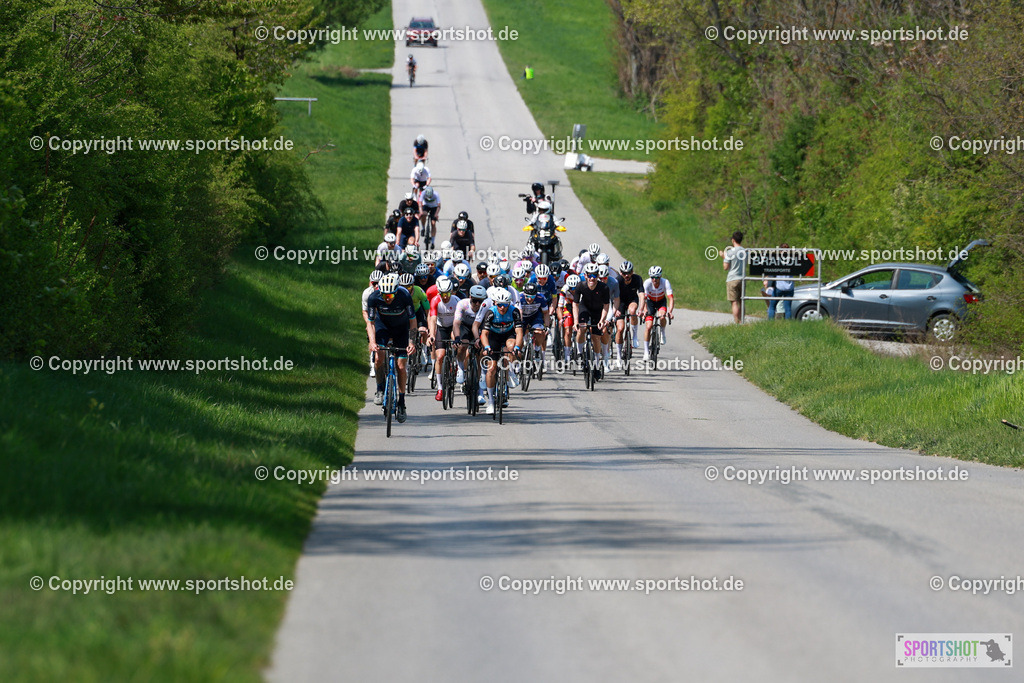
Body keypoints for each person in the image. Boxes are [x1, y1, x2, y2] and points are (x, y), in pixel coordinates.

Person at [366, 273, 417, 422]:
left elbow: (413, 321)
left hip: (401, 329)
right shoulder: (374, 298)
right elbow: (370, 322)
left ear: (396, 292)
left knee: (401, 366)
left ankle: (401, 402)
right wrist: (372, 342)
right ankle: (380, 389)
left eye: (391, 296)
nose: (387, 299)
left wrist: (411, 342)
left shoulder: (404, 295)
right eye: (385, 296)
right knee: (378, 357)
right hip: (383, 327)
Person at [477, 289, 524, 415]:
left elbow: (519, 332)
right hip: (493, 337)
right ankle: (491, 402)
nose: (502, 308)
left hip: (508, 335)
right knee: (491, 369)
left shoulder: (514, 311)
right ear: (495, 303)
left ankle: (510, 371)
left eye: (505, 305)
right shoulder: (490, 313)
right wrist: (486, 347)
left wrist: (517, 347)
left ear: (509, 303)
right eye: (499, 305)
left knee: (511, 347)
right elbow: (484, 334)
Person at [573, 263, 610, 380]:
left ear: (598, 276)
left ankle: (597, 365)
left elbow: (606, 306)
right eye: (589, 275)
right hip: (585, 309)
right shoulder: (580, 286)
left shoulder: (604, 288)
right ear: (585, 275)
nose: (592, 278)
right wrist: (575, 321)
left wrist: (602, 320)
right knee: (582, 328)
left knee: (595, 337)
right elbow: (575, 304)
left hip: (598, 311)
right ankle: (579, 354)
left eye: (594, 275)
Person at [427, 276, 460, 401]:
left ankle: (456, 362)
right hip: (441, 327)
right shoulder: (435, 300)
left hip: (453, 326)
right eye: (442, 294)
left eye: (447, 294)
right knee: (440, 356)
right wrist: (431, 335)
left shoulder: (456, 301)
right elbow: (433, 319)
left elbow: (458, 321)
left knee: (456, 341)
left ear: (451, 292)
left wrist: (457, 337)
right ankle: (440, 388)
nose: (445, 297)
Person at [642, 265, 674, 360]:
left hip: (661, 302)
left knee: (662, 317)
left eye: (656, 277)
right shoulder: (647, 283)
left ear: (660, 277)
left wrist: (670, 311)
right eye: (652, 277)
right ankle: (646, 352)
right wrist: (644, 310)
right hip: (650, 303)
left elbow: (670, 298)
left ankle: (662, 333)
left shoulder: (665, 282)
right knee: (648, 326)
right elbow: (644, 298)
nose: (654, 280)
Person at [616, 261, 643, 352]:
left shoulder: (637, 279)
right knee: (620, 328)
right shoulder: (618, 280)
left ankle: (634, 336)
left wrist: (641, 309)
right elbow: (614, 297)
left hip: (632, 299)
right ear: (621, 273)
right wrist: (615, 310)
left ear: (632, 272)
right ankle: (619, 355)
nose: (626, 275)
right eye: (624, 273)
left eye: (628, 273)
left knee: (632, 311)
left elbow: (642, 295)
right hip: (621, 301)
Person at [362, 270, 385, 377]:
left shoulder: (387, 290)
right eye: (374, 283)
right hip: (373, 317)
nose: (376, 285)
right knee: (370, 332)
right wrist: (368, 324)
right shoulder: (367, 293)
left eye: (378, 283)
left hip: (384, 316)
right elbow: (365, 311)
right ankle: (372, 362)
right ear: (371, 283)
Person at [722, 231, 745, 323]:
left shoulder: (730, 252)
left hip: (732, 278)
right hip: (742, 278)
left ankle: (736, 321)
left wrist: (723, 256)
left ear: (733, 240)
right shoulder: (745, 251)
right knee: (741, 301)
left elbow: (725, 267)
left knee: (734, 302)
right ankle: (742, 321)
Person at [769, 242, 794, 320]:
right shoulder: (793, 260)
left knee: (772, 306)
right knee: (788, 309)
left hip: (778, 287)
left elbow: (772, 272)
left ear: (780, 251)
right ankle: (788, 326)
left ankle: (770, 323)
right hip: (789, 287)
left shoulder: (776, 260)